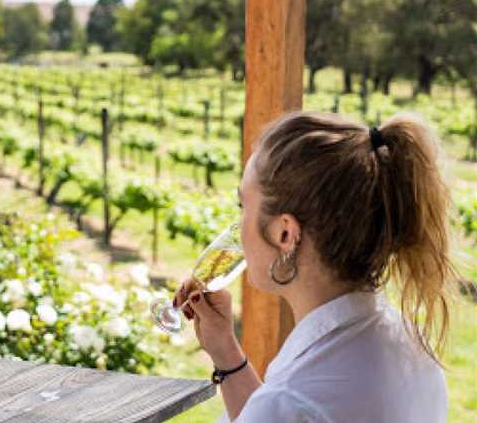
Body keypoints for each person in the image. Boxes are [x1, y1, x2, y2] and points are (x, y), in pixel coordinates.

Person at [174, 111, 455, 422]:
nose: (237, 227)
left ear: (285, 233)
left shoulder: (293, 402)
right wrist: (224, 349)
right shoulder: (409, 343)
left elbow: (285, 410)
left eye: (243, 207)